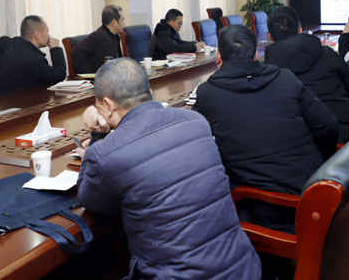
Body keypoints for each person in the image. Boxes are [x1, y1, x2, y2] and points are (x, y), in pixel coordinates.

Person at [77, 58, 261, 279]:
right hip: (243, 268)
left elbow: (90, 200)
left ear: (107, 105)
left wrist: (98, 135)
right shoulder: (196, 121)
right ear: (150, 92)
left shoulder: (107, 153)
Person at [192, 25, 338, 233]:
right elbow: (327, 126)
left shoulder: (207, 93)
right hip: (315, 192)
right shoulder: (286, 77)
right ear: (255, 55)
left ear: (218, 57)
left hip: (268, 209)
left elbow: (198, 150)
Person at [264, 6, 349, 143]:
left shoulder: (270, 70)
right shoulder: (328, 53)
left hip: (304, 141)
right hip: (347, 132)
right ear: (300, 30)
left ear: (270, 37)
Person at [0, 15, 66, 94]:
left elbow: (1, 40)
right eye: (47, 32)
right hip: (23, 99)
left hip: (9, 96)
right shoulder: (34, 60)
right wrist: (55, 48)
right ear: (37, 34)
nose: (49, 36)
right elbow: (60, 75)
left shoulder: (13, 44)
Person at [70, 5, 125, 74]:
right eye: (122, 20)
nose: (124, 23)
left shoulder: (114, 36)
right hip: (102, 79)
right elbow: (75, 52)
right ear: (114, 22)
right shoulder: (98, 36)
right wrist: (89, 74)